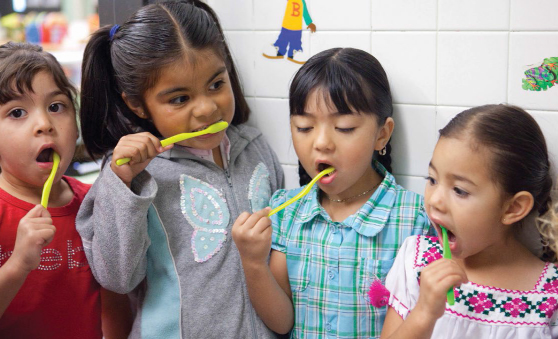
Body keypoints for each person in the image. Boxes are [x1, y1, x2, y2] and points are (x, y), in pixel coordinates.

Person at [76, 1, 284, 338]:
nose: (207, 108)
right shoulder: (128, 175)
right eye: (179, 99)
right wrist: (123, 184)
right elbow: (117, 278)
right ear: (137, 104)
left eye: (216, 84)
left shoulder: (255, 148)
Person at [232, 47, 432, 338]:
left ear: (382, 134)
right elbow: (282, 321)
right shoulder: (286, 211)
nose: (321, 142)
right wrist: (252, 262)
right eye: (304, 127)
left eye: (344, 127)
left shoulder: (415, 220)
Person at [380, 104, 558, 338]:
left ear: (513, 208)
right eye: (431, 179)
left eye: (459, 190)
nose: (435, 200)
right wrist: (424, 313)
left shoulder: (550, 297)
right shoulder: (415, 262)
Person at [0, 42, 131, 339]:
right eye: (17, 112)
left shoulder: (95, 202)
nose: (44, 124)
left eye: (56, 107)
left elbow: (115, 303)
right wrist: (18, 264)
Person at [262, 0, 317, 64]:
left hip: (296, 28)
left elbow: (305, 12)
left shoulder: (302, 2)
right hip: (286, 26)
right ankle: (280, 51)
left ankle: (294, 52)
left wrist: (309, 23)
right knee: (282, 39)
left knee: (295, 41)